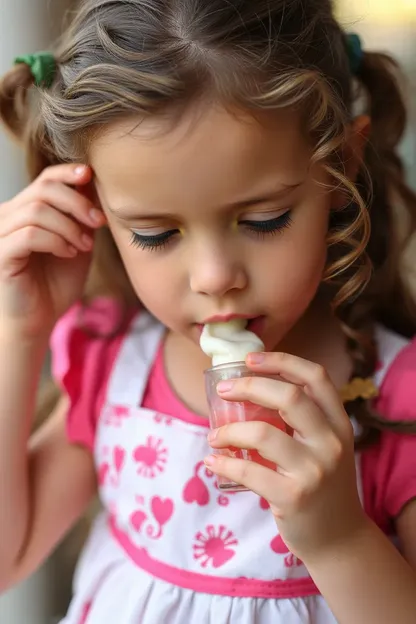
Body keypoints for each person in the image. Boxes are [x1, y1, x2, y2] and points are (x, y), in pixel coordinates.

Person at [0, 1, 416, 622]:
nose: (215, 277)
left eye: (263, 219)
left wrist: (339, 539)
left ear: (339, 169)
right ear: (97, 206)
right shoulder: (117, 367)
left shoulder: (396, 401)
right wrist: (19, 329)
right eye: (155, 235)